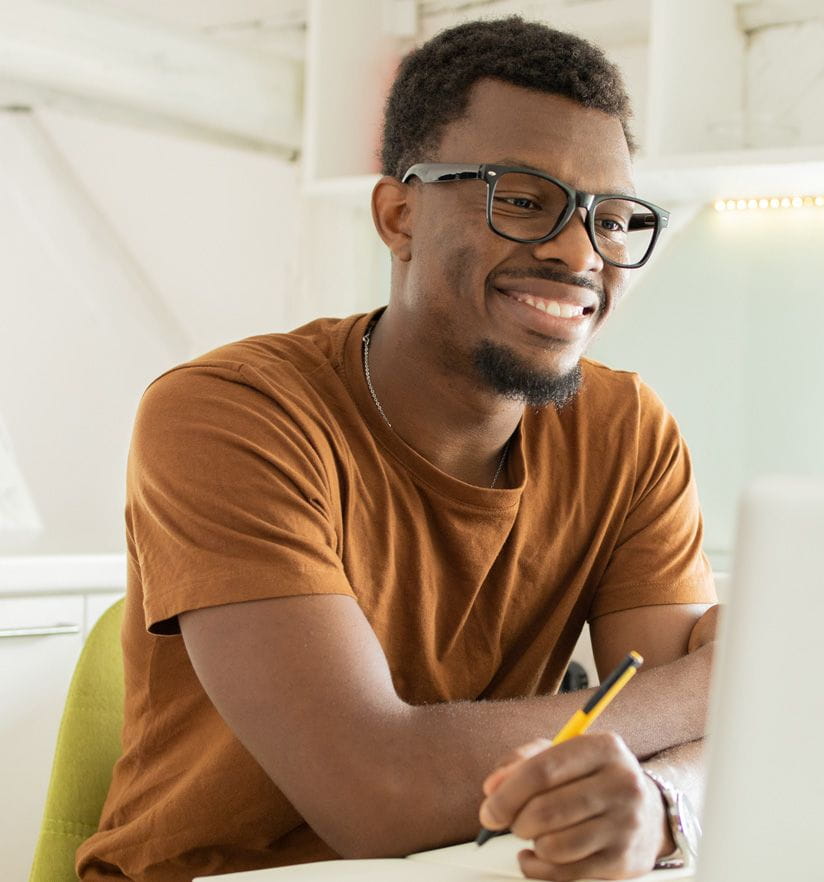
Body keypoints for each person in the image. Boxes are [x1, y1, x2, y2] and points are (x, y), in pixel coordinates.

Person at [78, 15, 717, 882]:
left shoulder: (627, 431)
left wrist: (659, 808)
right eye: (522, 200)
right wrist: (716, 682)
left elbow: (711, 750)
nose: (579, 253)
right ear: (399, 213)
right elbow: (376, 792)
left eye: (611, 219)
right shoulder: (230, 414)